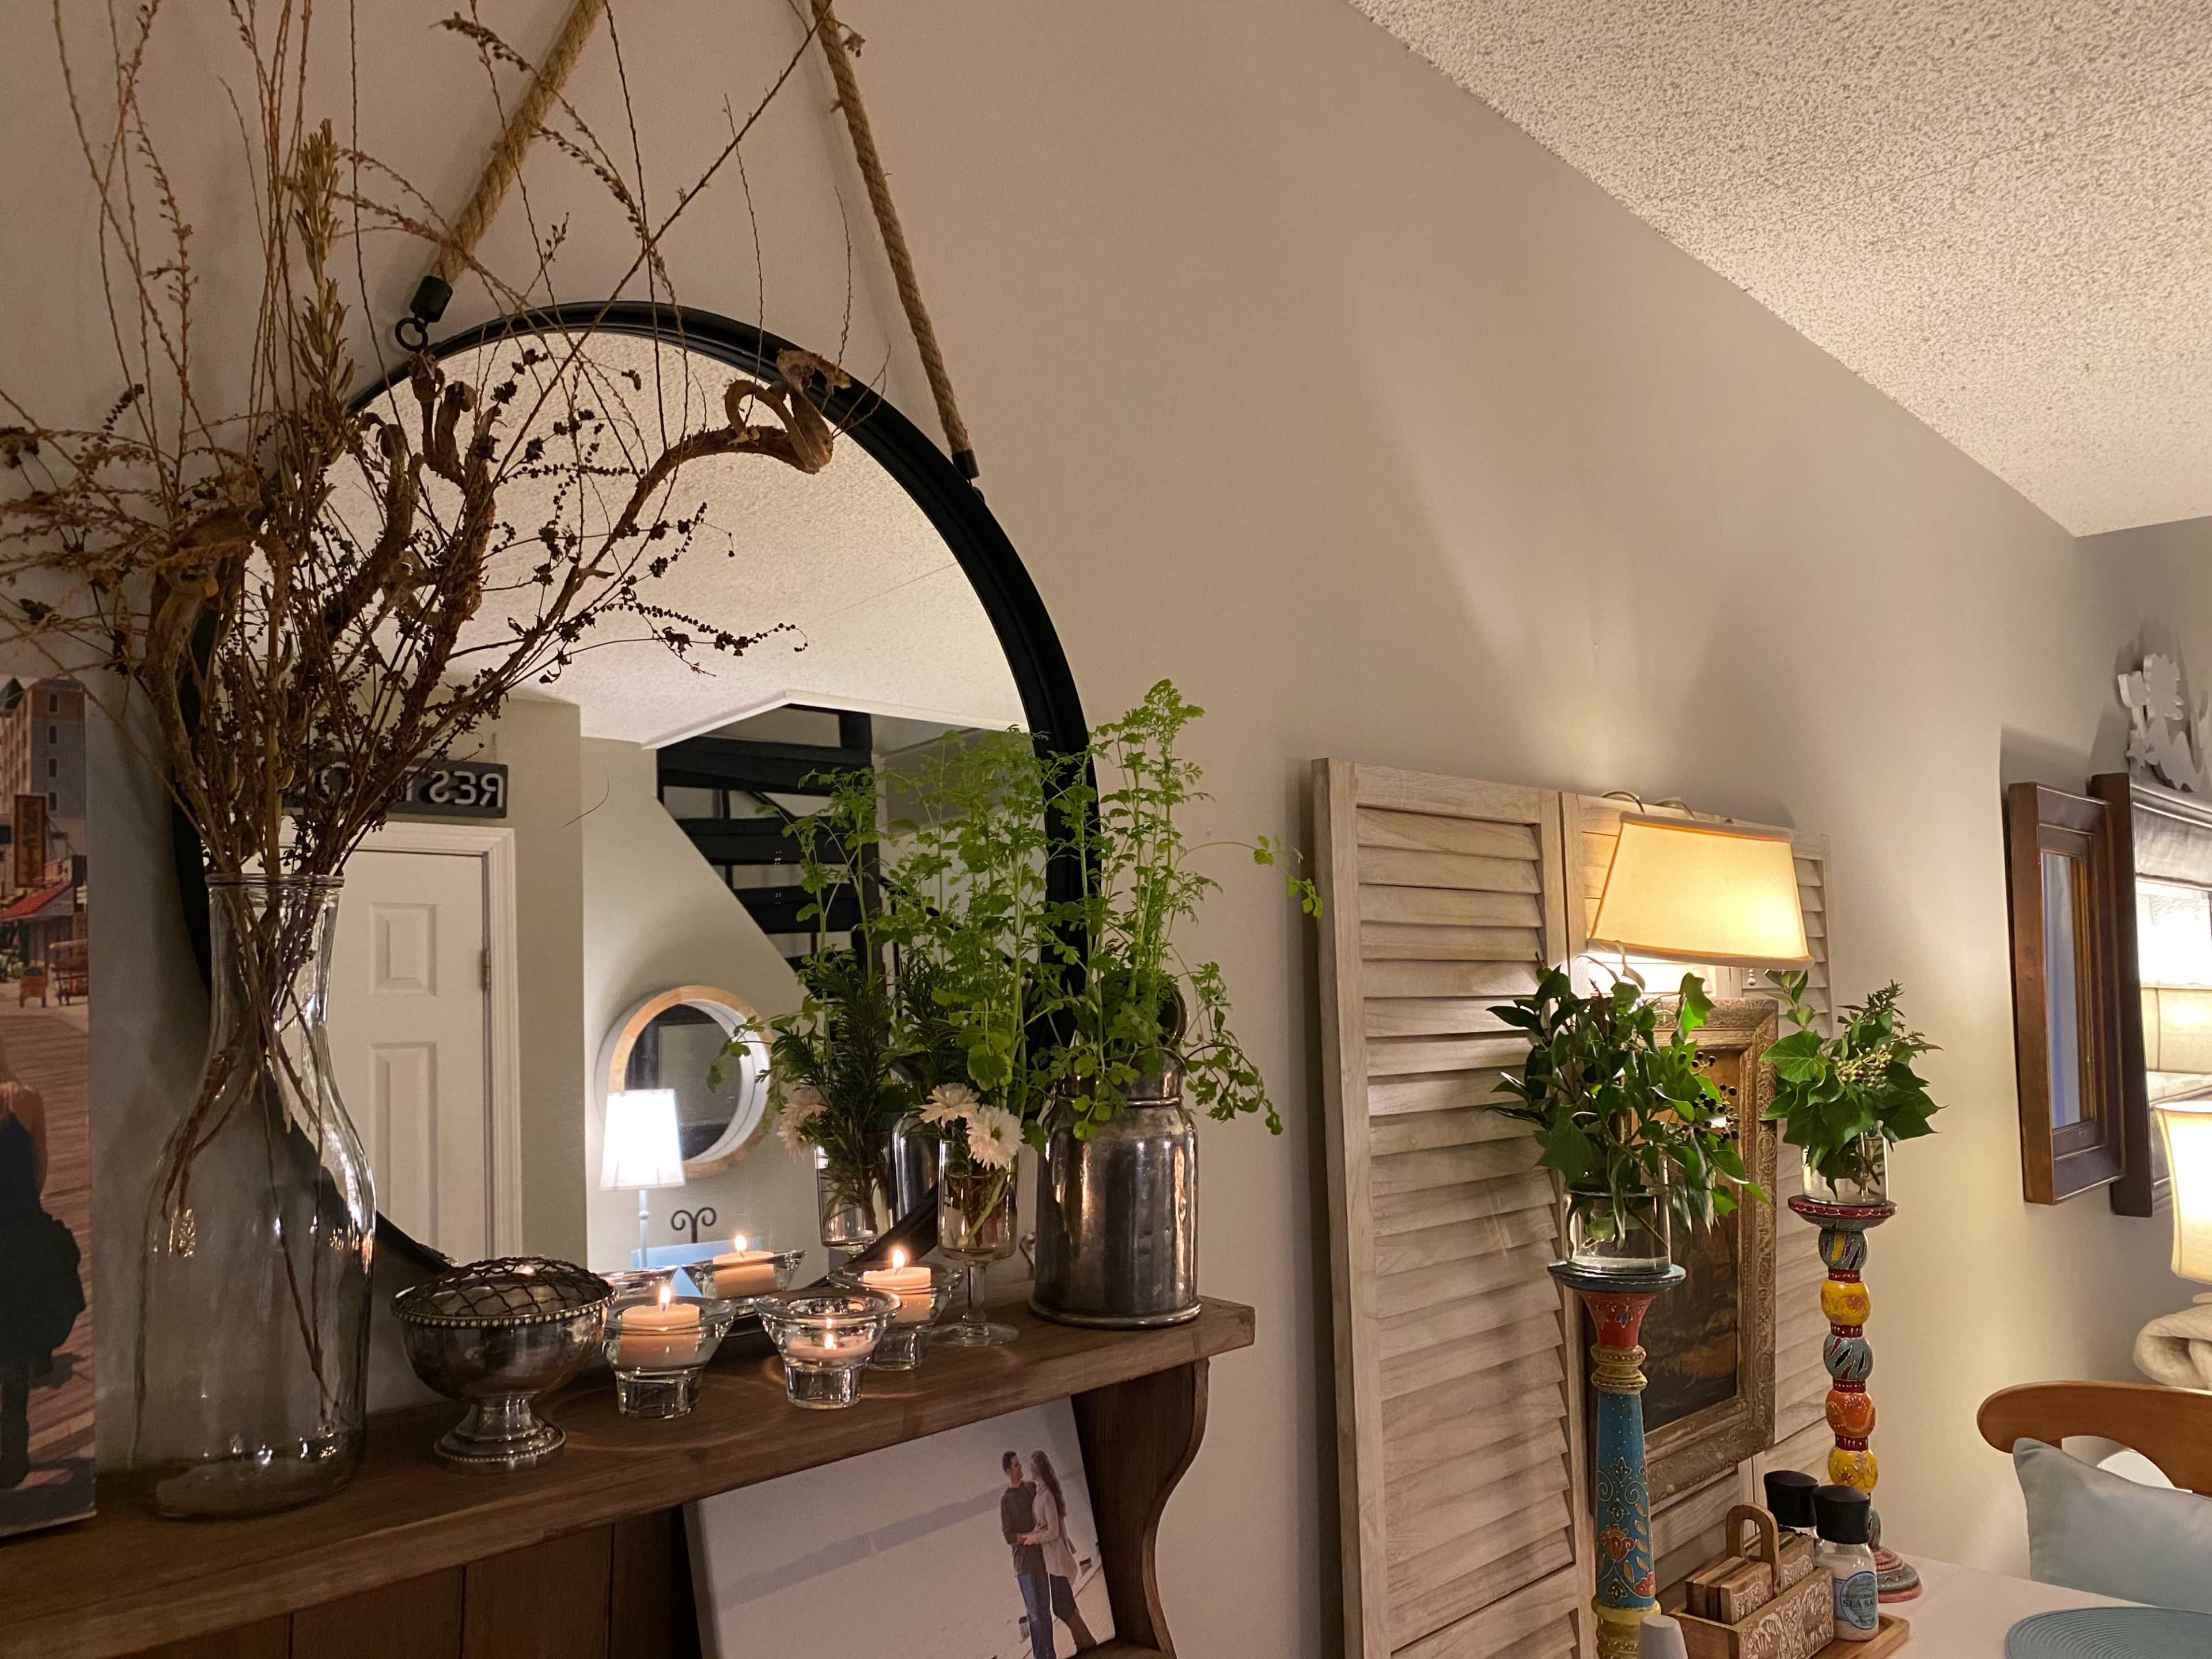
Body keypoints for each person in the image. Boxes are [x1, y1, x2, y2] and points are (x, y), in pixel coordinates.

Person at [0, 1071, 84, 1490]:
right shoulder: (26, 1100)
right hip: (20, 1235)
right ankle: (12, 1456)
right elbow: (39, 1170)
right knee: (13, 1351)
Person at [1022, 1449, 1099, 1652]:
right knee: (1066, 1604)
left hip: (1058, 1559)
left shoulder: (1047, 1496)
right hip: (1052, 1561)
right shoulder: (1041, 1493)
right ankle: (1083, 1643)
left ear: (1040, 1469)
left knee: (1062, 1607)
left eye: (1033, 1465)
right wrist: (1034, 1532)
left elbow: (1054, 1532)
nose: (1030, 1469)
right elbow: (1044, 1525)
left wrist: (1033, 1539)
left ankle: (1087, 1642)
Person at [999, 1449, 1055, 1659]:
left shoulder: (1031, 1489)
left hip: (1041, 1559)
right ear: (1008, 1471)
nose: (1021, 1468)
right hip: (1023, 1566)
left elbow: (1046, 1508)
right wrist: (1030, 1536)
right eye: (1016, 1466)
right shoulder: (1006, 1501)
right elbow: (1008, 1536)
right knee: (1034, 1616)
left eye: (1020, 1464)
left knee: (1045, 1612)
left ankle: (1052, 1655)